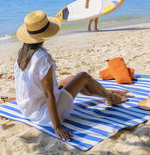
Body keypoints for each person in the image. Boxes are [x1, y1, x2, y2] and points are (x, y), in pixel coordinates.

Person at [14, 10, 127, 141]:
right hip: (45, 114)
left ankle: (105, 92)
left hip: (28, 109)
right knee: (83, 76)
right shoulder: (43, 58)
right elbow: (49, 95)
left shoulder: (23, 53)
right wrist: (57, 127)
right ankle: (111, 97)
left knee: (73, 79)